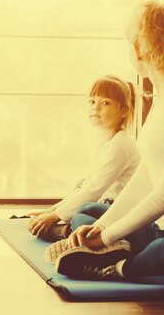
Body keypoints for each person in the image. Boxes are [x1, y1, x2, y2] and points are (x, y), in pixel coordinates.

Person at [49, 0, 164, 283]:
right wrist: (102, 228)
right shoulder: (162, 101)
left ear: (136, 47)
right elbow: (145, 178)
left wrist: (107, 235)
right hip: (156, 232)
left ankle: (116, 268)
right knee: (88, 214)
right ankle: (118, 253)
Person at [28, 75, 140, 244]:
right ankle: (71, 231)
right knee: (80, 189)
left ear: (123, 111)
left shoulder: (121, 144)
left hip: (120, 212)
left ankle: (71, 232)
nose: (96, 107)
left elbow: (93, 190)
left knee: (83, 210)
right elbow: (87, 185)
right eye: (92, 102)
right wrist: (51, 211)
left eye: (105, 103)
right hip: (104, 207)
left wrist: (54, 217)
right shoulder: (104, 143)